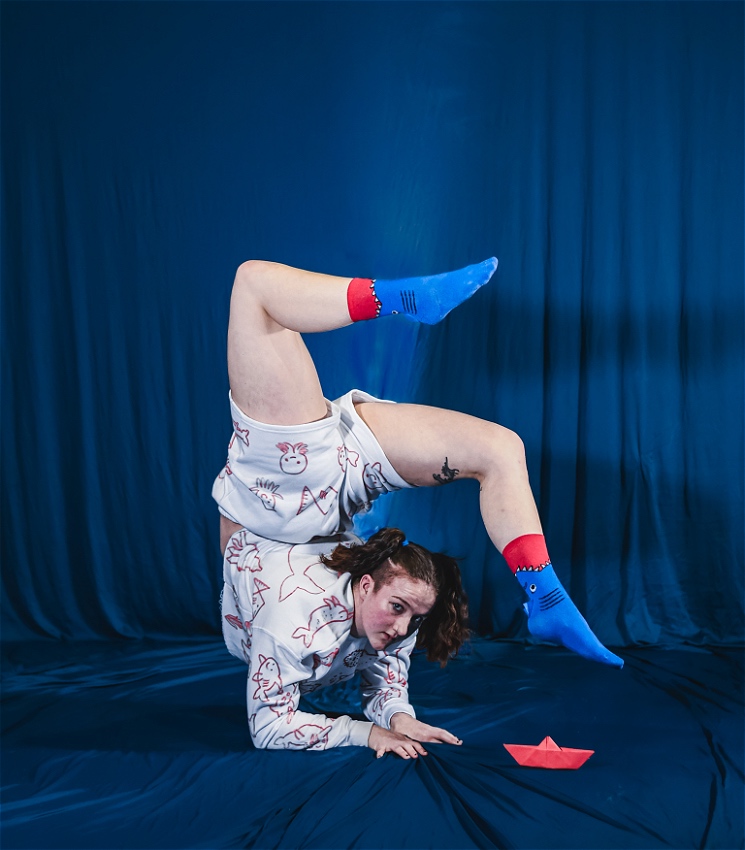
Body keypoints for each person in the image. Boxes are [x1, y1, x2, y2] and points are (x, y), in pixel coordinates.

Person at [214, 256, 623, 754]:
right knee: (500, 449)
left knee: (254, 284)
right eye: (401, 610)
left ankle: (547, 600)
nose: (402, 627)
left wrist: (391, 720)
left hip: (278, 496)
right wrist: (383, 724)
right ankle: (546, 599)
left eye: (406, 615)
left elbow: (290, 721)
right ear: (368, 585)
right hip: (331, 494)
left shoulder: (326, 620)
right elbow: (348, 702)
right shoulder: (380, 613)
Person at [221, 525, 468, 758]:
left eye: (416, 618)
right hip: (253, 545)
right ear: (366, 586)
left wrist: (400, 718)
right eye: (396, 607)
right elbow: (268, 727)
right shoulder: (292, 618)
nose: (403, 628)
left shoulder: (404, 616)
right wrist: (365, 733)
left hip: (316, 547)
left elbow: (385, 688)